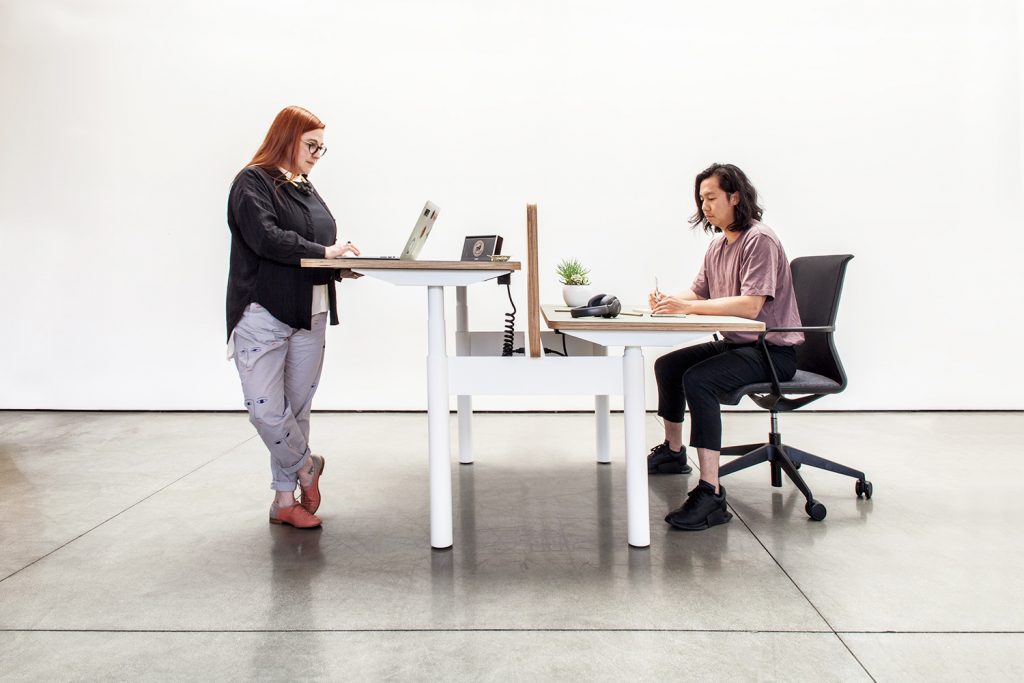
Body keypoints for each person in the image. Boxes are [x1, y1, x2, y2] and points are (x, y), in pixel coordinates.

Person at [647, 163, 803, 531]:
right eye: (701, 200)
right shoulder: (718, 244)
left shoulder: (758, 240)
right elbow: (699, 292)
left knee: (700, 381)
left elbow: (750, 306)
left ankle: (711, 493)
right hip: (740, 346)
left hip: (772, 352)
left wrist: (688, 307)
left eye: (712, 198)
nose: (705, 207)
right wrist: (668, 301)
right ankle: (673, 454)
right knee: (668, 367)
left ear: (735, 196)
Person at [226, 106, 361, 529]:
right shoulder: (252, 182)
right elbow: (267, 238)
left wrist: (339, 263)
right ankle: (307, 465)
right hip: (263, 311)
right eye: (311, 144)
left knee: (296, 410)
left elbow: (317, 243)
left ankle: (285, 501)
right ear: (286, 136)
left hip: (312, 310)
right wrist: (324, 253)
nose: (318, 153)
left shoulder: (304, 186)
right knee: (267, 410)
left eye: (323, 147)